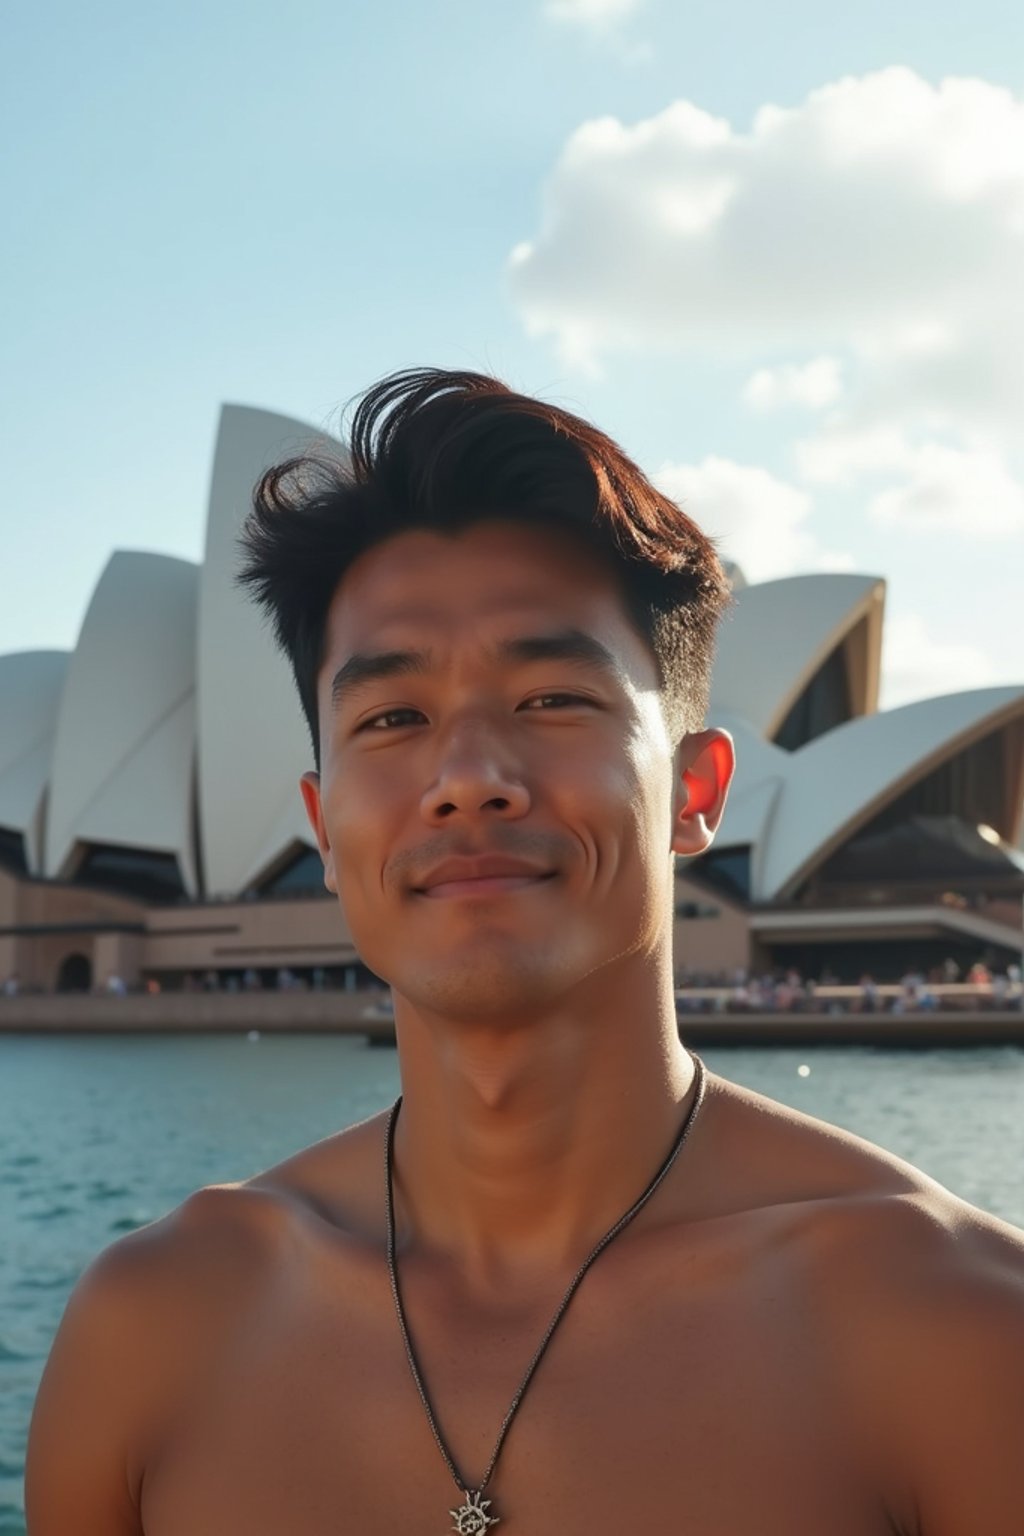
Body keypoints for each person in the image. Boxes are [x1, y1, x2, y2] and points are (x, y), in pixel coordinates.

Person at [26, 369, 1024, 1534]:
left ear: (696, 790)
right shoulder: (155, 1325)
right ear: (320, 826)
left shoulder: (958, 1333)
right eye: (391, 718)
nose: (466, 782)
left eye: (551, 698)